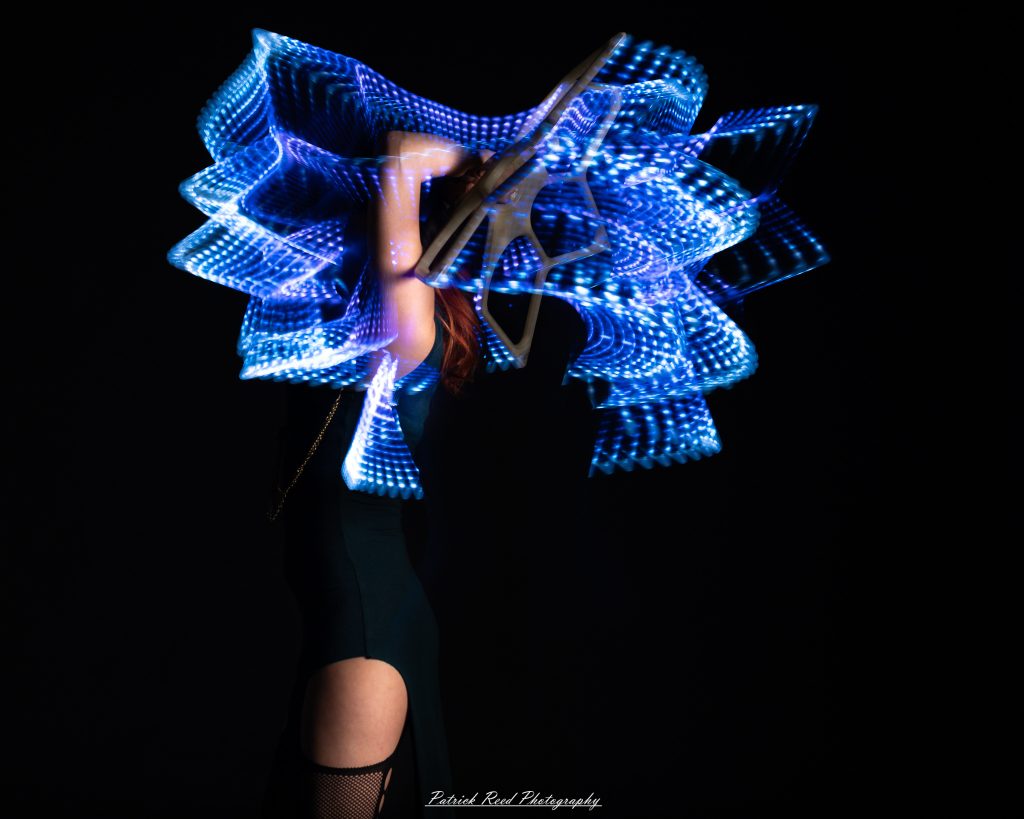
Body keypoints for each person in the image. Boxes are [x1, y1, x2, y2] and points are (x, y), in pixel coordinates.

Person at [261, 130, 510, 819]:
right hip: (350, 622)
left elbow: (403, 152)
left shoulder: (408, 328)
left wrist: (472, 166)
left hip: (366, 638)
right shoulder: (347, 338)